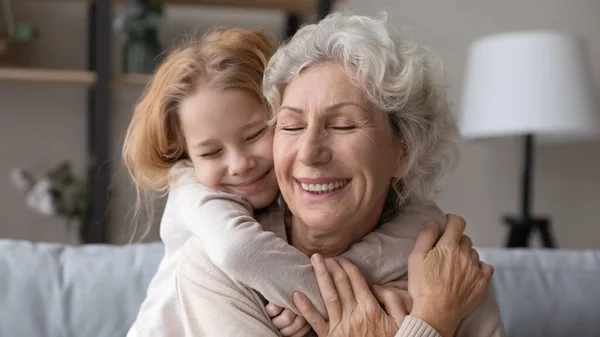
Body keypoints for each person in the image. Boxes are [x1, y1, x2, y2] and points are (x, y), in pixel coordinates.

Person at [174, 12, 504, 337]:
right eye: (292, 126)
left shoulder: (449, 273)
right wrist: (432, 324)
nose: (308, 152)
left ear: (402, 153)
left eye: (343, 125)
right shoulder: (215, 267)